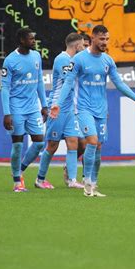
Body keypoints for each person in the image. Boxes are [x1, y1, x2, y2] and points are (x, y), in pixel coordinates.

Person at [50, 25, 135, 197]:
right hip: (83, 109)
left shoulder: (108, 61)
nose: (105, 42)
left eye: (107, 39)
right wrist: (58, 103)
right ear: (93, 38)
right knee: (92, 140)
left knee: (97, 146)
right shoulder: (80, 59)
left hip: (101, 110)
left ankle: (93, 183)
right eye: (102, 39)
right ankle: (87, 184)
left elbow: (119, 83)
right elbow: (68, 83)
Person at [35, 33, 86, 190]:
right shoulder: (62, 59)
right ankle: (40, 179)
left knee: (73, 142)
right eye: (83, 45)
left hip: (69, 108)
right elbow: (68, 82)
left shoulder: (73, 61)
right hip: (57, 107)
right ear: (77, 46)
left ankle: (71, 180)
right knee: (52, 145)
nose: (84, 48)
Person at [1, 28, 48, 192]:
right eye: (31, 38)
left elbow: (40, 81)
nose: (34, 41)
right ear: (22, 40)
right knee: (18, 145)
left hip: (33, 107)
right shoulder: (10, 60)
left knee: (39, 142)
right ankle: (16, 182)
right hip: (16, 108)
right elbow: (5, 89)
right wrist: (7, 113)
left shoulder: (36, 56)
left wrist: (44, 105)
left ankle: (20, 170)